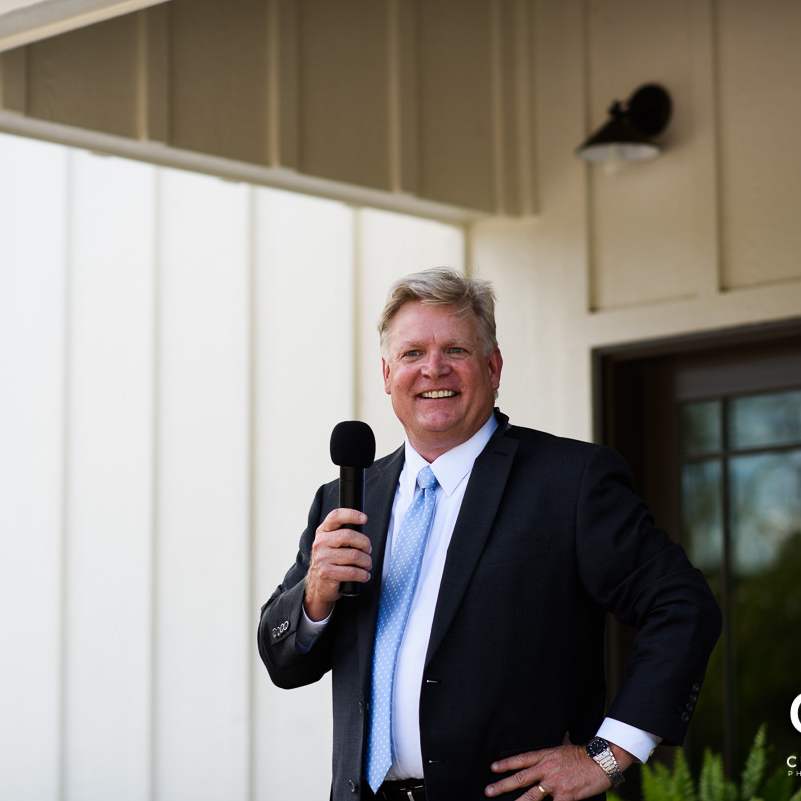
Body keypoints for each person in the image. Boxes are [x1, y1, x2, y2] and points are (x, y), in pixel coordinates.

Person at [258, 268, 721, 801]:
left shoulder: (569, 481)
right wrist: (315, 597)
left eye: (455, 350)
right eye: (412, 354)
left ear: (493, 367)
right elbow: (283, 662)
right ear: (387, 373)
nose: (433, 368)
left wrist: (610, 753)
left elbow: (682, 604)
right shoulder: (344, 498)